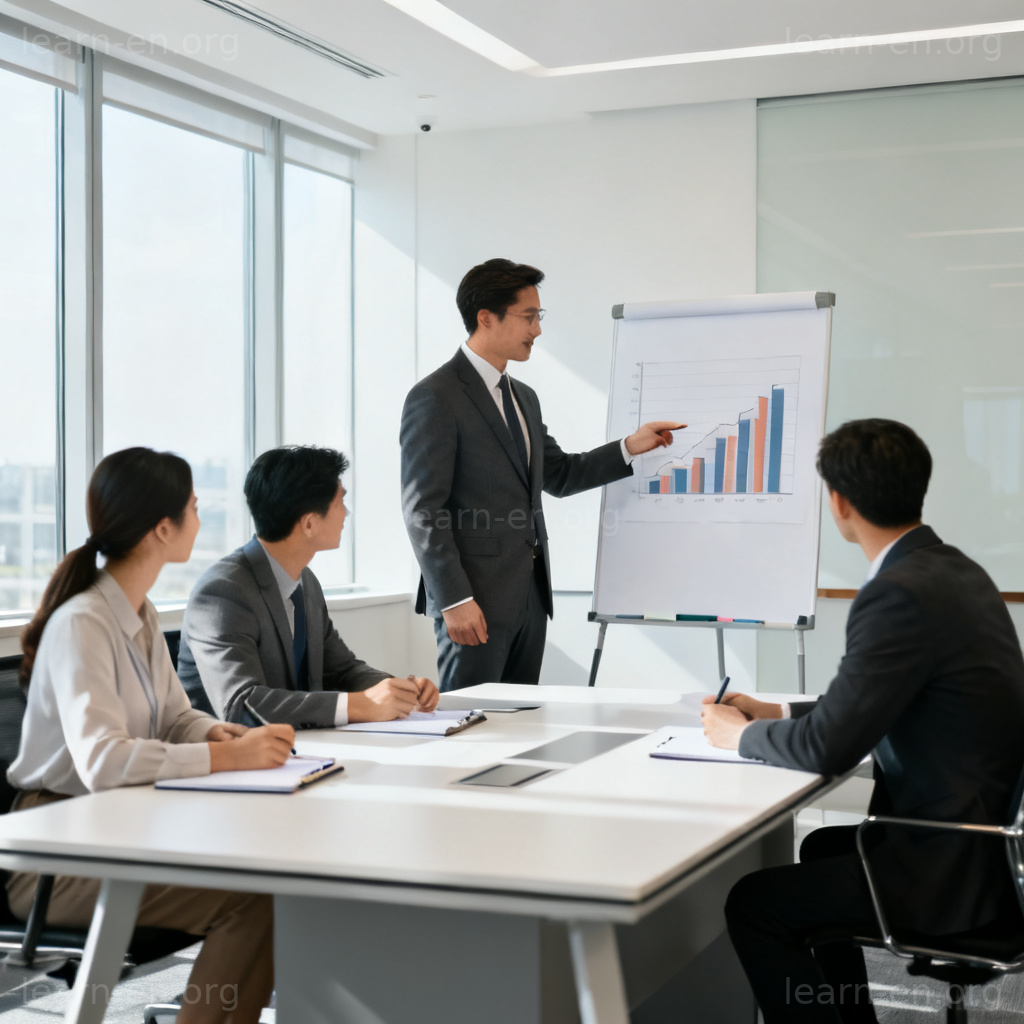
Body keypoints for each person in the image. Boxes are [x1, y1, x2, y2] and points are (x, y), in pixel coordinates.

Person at [701, 419, 1024, 1024]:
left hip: (951, 872)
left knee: (754, 904)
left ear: (840, 502)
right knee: (822, 848)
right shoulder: (956, 571)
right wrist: (775, 713)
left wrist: (737, 735)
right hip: (987, 851)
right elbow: (875, 701)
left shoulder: (897, 592)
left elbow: (828, 749)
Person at [9, 447, 294, 1024]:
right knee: (253, 899)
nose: (200, 518)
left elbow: (173, 716)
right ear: (162, 528)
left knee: (271, 882)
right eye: (193, 507)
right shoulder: (82, 624)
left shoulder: (139, 615)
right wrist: (226, 759)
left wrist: (215, 731)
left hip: (119, 829)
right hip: (56, 855)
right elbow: (103, 762)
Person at [401, 257, 683, 691]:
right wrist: (454, 599)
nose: (537, 329)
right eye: (528, 317)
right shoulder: (435, 397)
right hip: (472, 605)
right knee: (469, 732)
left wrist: (630, 447)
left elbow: (561, 475)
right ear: (486, 318)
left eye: (539, 317)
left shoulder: (524, 398)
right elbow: (423, 509)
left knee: (519, 730)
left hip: (530, 603)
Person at [178, 445, 439, 726]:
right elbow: (242, 704)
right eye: (340, 502)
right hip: (234, 759)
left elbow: (342, 670)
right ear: (310, 524)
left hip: (301, 751)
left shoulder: (305, 582)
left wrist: (399, 690)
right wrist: (358, 705)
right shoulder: (222, 593)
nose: (346, 513)